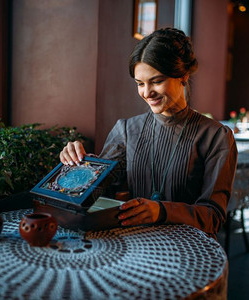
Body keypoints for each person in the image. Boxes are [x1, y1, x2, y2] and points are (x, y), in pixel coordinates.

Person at [60, 27, 237, 238]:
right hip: (133, 246)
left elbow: (213, 217)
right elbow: (97, 193)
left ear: (183, 75)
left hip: (188, 251)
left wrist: (161, 211)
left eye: (156, 81)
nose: (146, 92)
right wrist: (80, 166)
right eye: (140, 83)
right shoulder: (126, 130)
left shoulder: (216, 137)